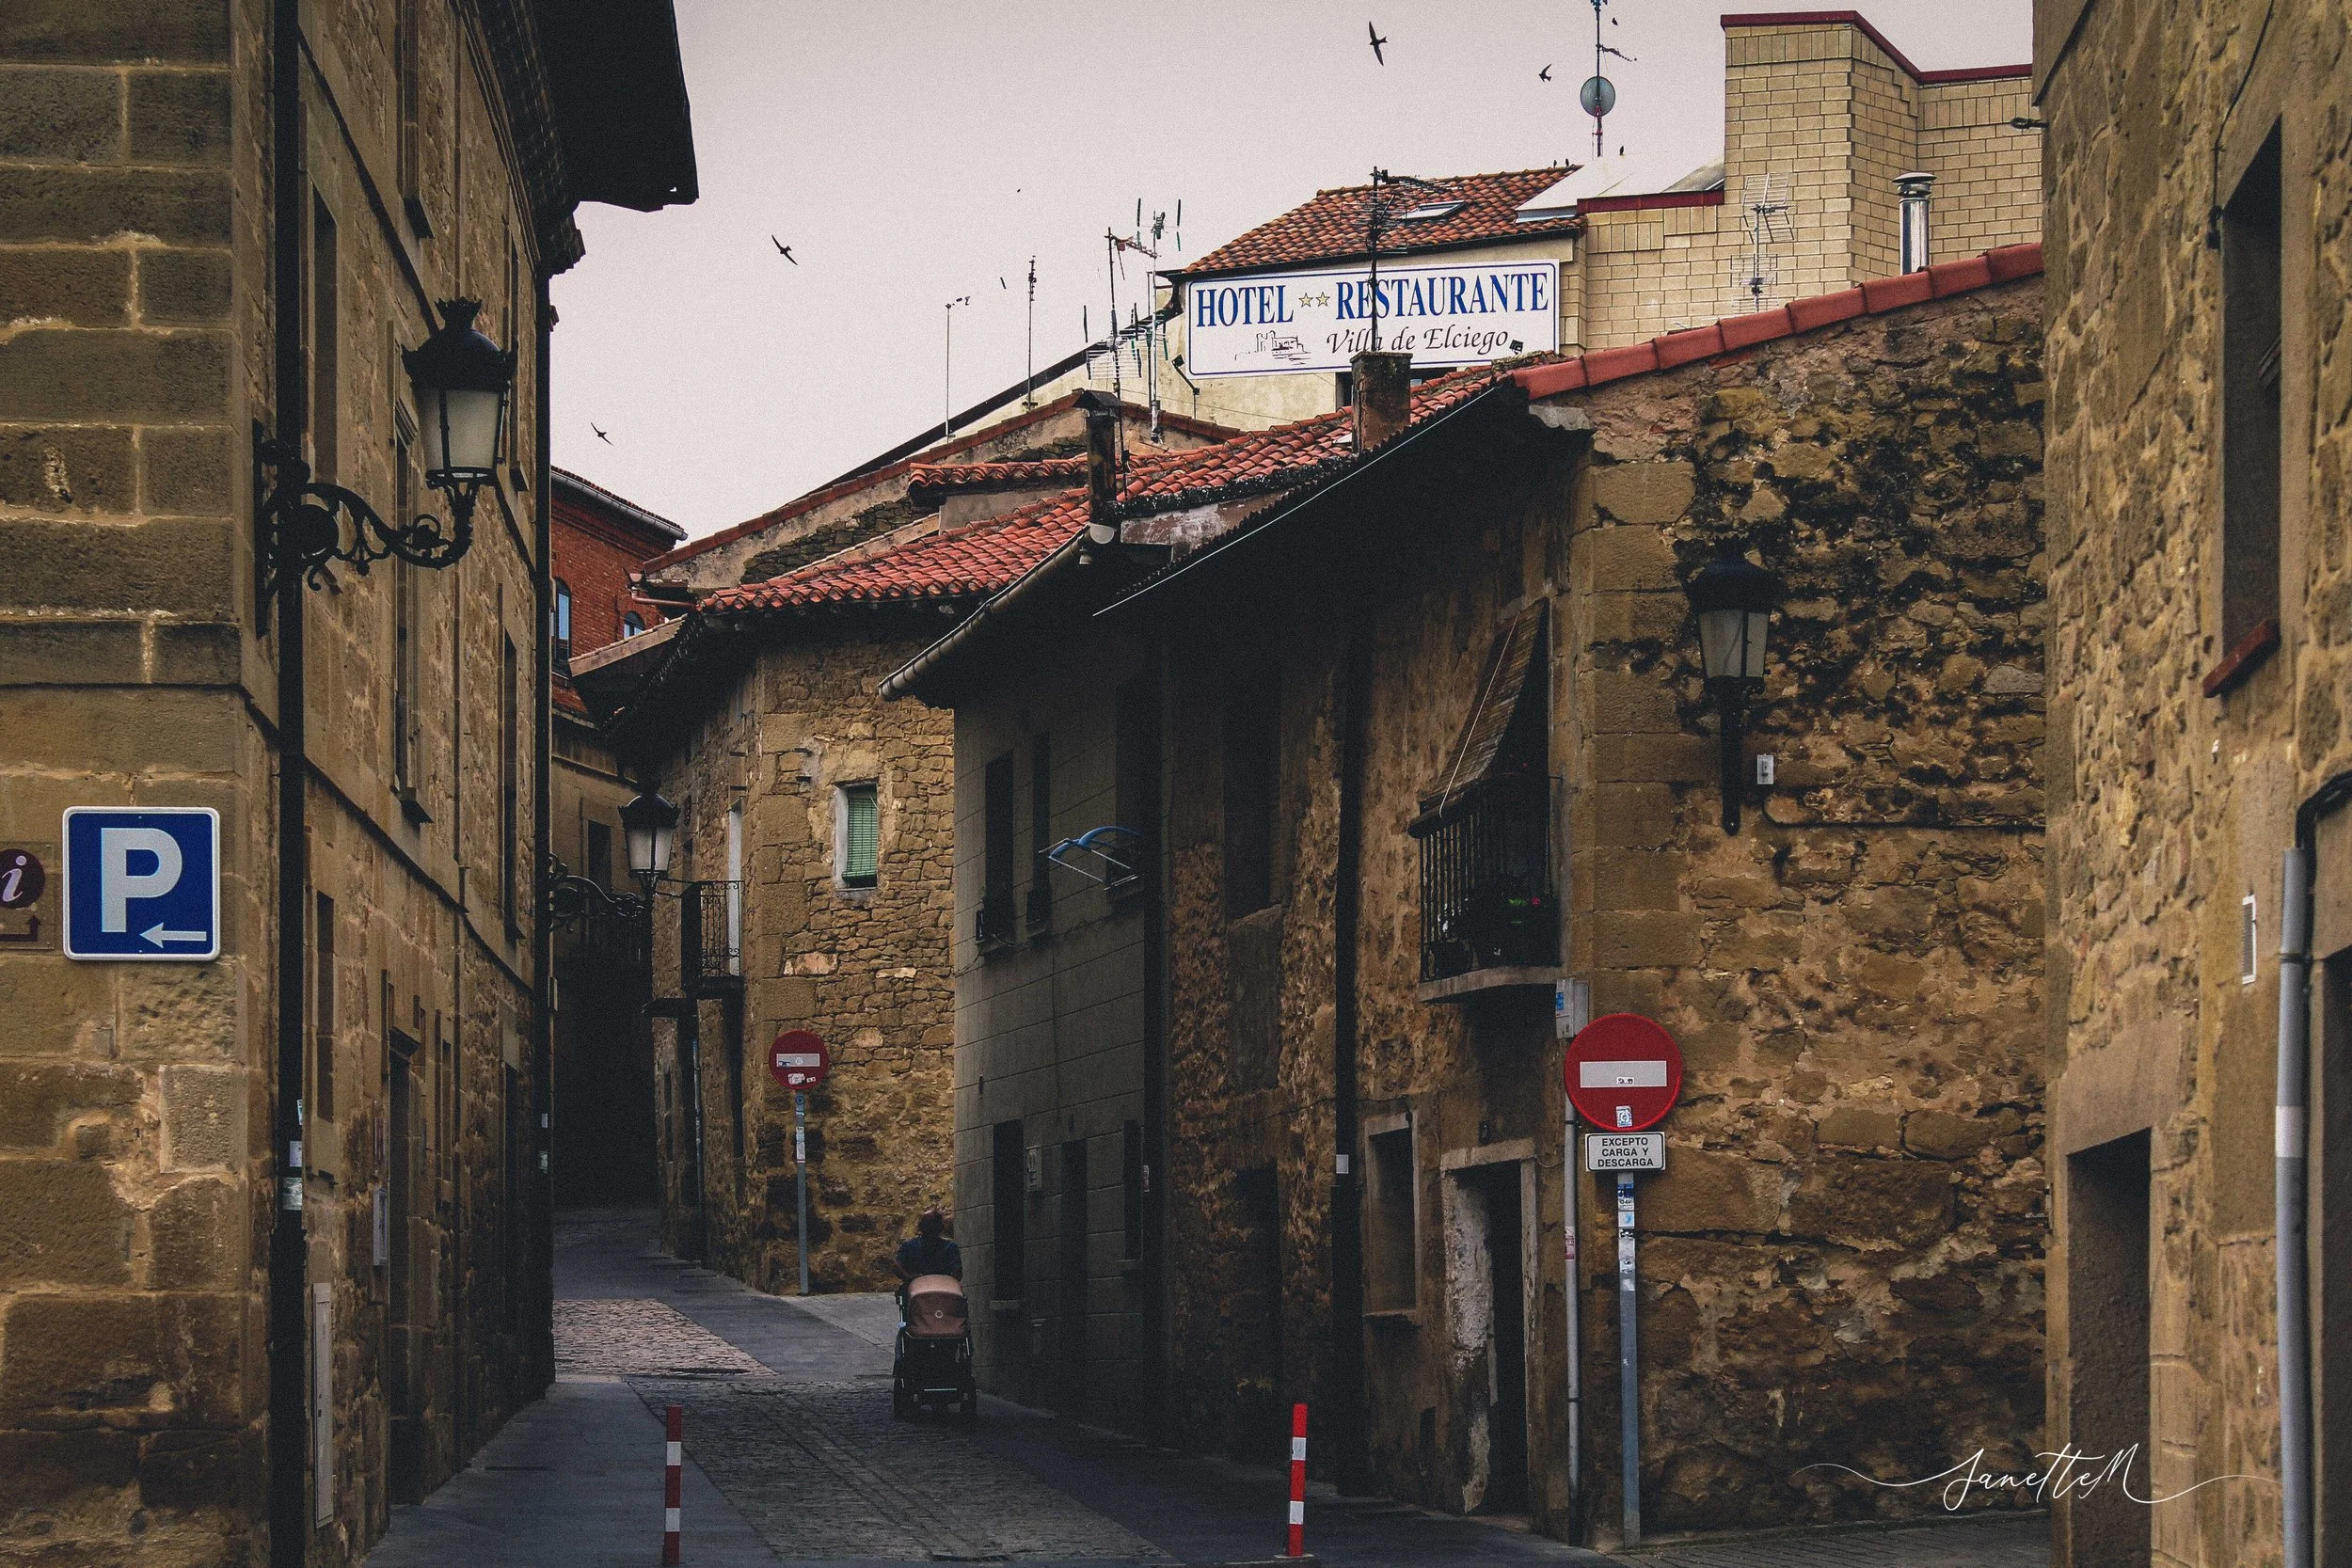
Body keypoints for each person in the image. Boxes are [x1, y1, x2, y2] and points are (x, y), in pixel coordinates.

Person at [895, 1207, 961, 1283]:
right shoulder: (908, 1246)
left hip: (942, 1286)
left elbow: (957, 1271)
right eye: (929, 1224)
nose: (931, 1228)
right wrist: (910, 1278)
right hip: (916, 1286)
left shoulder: (950, 1247)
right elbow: (897, 1266)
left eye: (934, 1224)